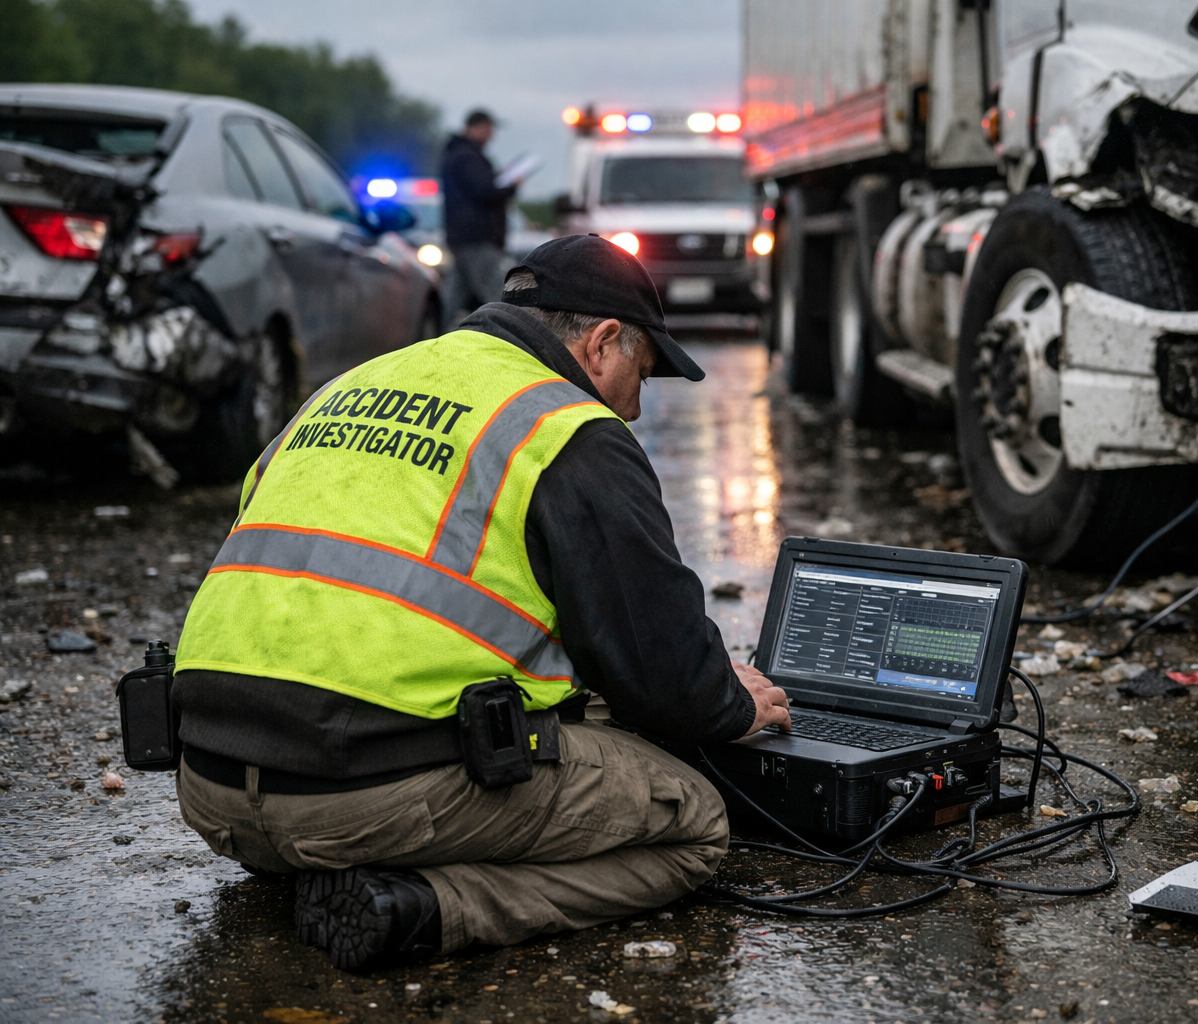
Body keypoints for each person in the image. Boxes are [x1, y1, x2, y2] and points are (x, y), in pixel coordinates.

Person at [170, 234, 793, 972]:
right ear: (602, 342)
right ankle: (423, 907)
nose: (633, 405)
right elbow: (658, 673)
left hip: (208, 786)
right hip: (359, 798)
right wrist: (729, 702)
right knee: (690, 821)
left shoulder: (350, 386)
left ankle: (316, 855)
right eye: (643, 373)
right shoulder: (565, 426)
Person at [441, 109, 519, 321]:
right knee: (497, 295)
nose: (491, 135)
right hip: (476, 237)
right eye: (488, 129)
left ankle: (436, 335)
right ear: (475, 128)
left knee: (455, 295)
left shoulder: (458, 154)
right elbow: (485, 191)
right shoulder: (468, 157)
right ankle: (504, 336)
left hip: (463, 237)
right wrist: (510, 186)